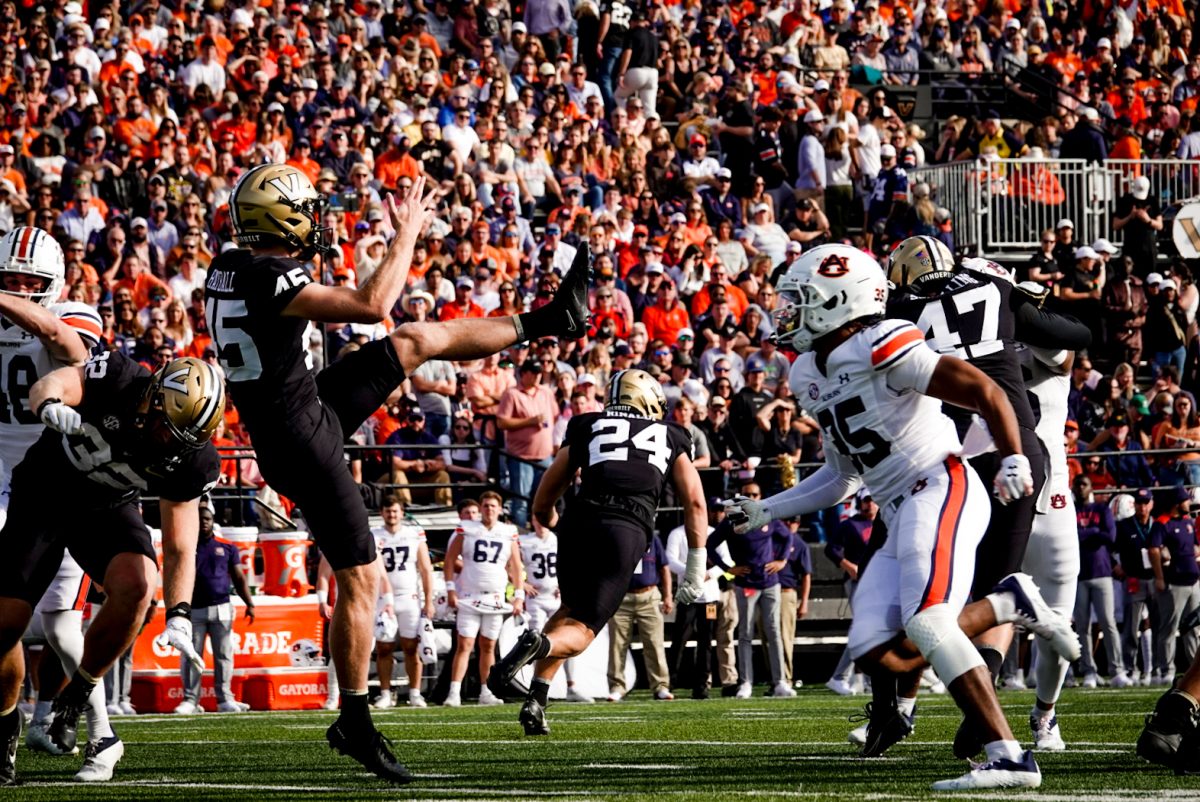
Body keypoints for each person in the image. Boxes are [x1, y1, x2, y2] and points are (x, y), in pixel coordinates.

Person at [203, 166, 589, 782]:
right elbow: (369, 304)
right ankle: (353, 720)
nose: (317, 220)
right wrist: (406, 231)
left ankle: (548, 319)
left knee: (413, 342)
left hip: (302, 407)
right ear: (282, 220)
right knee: (363, 580)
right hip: (302, 436)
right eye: (306, 210)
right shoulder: (265, 274)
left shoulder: (231, 264)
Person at [723, 244, 1063, 790]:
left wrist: (1014, 456)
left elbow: (985, 389)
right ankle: (1008, 603)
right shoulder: (807, 372)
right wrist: (766, 507)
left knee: (928, 622)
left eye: (801, 301)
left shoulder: (883, 341)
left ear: (839, 301)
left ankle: (1010, 757)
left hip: (940, 482)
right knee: (882, 648)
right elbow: (840, 479)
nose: (788, 312)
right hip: (900, 504)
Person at [885, 238, 1090, 756]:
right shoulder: (1001, 300)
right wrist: (1029, 297)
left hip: (961, 464)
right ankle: (1038, 717)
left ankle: (900, 708)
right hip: (1032, 471)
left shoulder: (901, 313)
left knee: (927, 591)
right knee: (1008, 599)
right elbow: (1073, 334)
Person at [0, 350, 223, 787]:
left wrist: (179, 612)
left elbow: (180, 543)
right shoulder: (120, 378)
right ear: (154, 397)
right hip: (44, 495)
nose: (170, 442)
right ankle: (5, 721)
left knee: (139, 586)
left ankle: (75, 697)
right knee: (5, 624)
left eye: (184, 438)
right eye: (167, 427)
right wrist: (50, 405)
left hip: (104, 508)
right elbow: (54, 383)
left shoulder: (191, 458)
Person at [487, 370, 707, 737]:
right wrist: (696, 565)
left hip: (578, 520)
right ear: (646, 399)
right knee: (584, 631)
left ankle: (537, 700)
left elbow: (546, 493)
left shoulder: (587, 424)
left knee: (570, 610)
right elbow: (696, 503)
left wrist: (555, 524)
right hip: (626, 528)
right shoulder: (671, 434)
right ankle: (536, 644)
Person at [1018, 346, 1088, 754]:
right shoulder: (972, 346)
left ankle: (1045, 714)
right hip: (994, 497)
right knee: (940, 604)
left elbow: (1063, 355)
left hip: (1051, 498)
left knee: (1059, 629)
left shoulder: (1043, 344)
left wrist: (1018, 311)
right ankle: (899, 706)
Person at [707, 483, 796, 699]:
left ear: (760, 496)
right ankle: (746, 682)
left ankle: (780, 682)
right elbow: (710, 544)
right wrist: (728, 569)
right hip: (745, 583)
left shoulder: (768, 515)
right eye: (746, 494)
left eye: (754, 494)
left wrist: (782, 560)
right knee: (745, 633)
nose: (751, 497)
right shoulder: (732, 520)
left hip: (770, 582)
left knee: (773, 632)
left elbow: (788, 537)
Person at [442, 491, 523, 708]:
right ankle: (454, 692)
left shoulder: (508, 532)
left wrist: (518, 595)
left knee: (488, 645)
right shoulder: (467, 529)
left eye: (493, 506)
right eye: (486, 506)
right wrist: (450, 589)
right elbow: (449, 560)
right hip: (469, 595)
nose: (489, 510)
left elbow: (515, 565)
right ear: (481, 507)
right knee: (464, 644)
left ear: (499, 509)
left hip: (496, 596)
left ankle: (486, 691)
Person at [174, 506, 255, 714]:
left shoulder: (227, 546)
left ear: (213, 521)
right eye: (200, 519)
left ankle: (225, 698)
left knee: (224, 655)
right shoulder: (187, 546)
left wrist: (249, 603)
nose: (204, 523)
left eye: (207, 519)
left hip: (222, 607)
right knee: (192, 656)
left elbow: (238, 577)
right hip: (194, 609)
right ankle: (191, 700)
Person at [371, 496, 435, 710]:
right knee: (383, 648)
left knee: (411, 647)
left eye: (395, 511)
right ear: (382, 513)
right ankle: (385, 694)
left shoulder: (413, 533)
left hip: (409, 596)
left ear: (402, 512)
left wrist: (429, 600)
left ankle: (415, 693)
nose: (392, 515)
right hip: (382, 599)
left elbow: (426, 569)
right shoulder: (375, 535)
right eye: (388, 511)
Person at [519, 521, 591, 703]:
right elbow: (509, 564)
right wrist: (522, 583)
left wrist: (567, 584)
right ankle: (536, 687)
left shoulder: (558, 539)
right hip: (535, 599)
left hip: (557, 598)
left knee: (566, 642)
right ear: (531, 521)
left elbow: (575, 564)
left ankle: (571, 686)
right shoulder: (523, 541)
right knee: (536, 642)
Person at [665, 498, 727, 699]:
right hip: (687, 596)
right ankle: (670, 682)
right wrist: (692, 571)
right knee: (679, 640)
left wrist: (708, 574)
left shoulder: (713, 533)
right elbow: (671, 560)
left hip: (709, 597)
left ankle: (702, 685)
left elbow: (726, 561)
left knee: (706, 641)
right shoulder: (677, 533)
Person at [605, 532, 674, 703]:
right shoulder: (617, 536)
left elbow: (664, 567)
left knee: (654, 643)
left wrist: (668, 596)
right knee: (617, 645)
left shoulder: (653, 538)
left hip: (649, 596)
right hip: (621, 598)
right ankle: (617, 687)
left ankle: (661, 686)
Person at [1071, 473, 1124, 689]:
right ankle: (1089, 671)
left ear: (1091, 487)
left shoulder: (1101, 509)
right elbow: (1070, 536)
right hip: (1079, 574)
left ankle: (1117, 670)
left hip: (1102, 572)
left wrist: (1086, 532)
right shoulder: (1070, 510)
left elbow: (1110, 536)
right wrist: (1093, 532)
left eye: (1084, 484)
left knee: (1108, 623)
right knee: (1082, 626)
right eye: (1078, 485)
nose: (1081, 488)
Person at [825, 490, 876, 697]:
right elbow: (831, 549)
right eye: (866, 500)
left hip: (878, 582)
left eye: (873, 500)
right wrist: (848, 566)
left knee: (873, 631)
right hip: (858, 582)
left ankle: (869, 680)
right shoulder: (850, 524)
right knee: (864, 629)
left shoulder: (885, 522)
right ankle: (839, 676)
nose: (870, 504)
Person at [1150, 487, 1200, 684]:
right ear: (1177, 503)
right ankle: (1166, 669)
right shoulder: (1163, 523)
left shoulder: (1188, 522)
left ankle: (1193, 670)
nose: (1189, 504)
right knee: (1169, 628)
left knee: (1193, 629)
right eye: (1186, 500)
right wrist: (1160, 577)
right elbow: (1154, 550)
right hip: (1174, 583)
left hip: (1193, 581)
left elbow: (1194, 546)